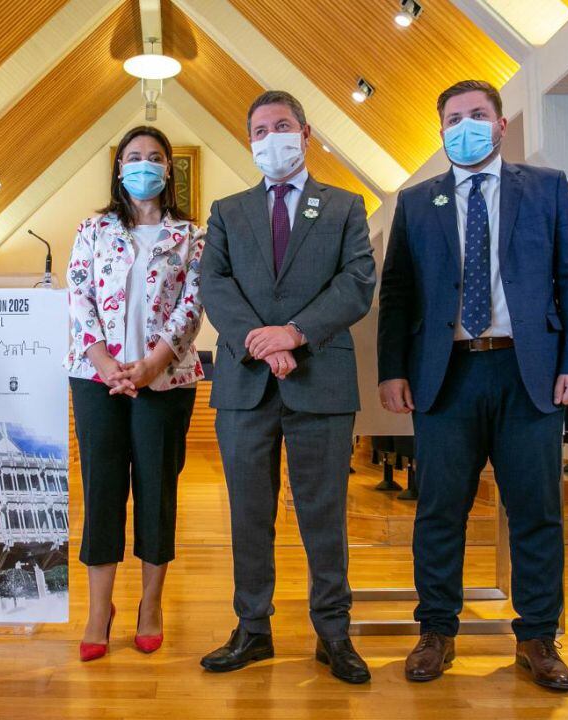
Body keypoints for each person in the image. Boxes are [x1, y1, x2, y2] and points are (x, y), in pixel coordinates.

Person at [377, 80, 568, 691]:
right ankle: (437, 630)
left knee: (536, 511)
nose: (465, 126)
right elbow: (397, 290)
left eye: (478, 115)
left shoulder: (546, 188)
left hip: (528, 373)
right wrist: (391, 369)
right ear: (440, 129)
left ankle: (537, 637)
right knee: (440, 510)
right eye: (453, 118)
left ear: (501, 126)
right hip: (445, 375)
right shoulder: (417, 201)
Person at [199, 91, 375, 682]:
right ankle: (252, 630)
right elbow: (214, 284)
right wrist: (260, 339)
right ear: (249, 141)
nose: (270, 137)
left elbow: (355, 285)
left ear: (305, 132)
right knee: (249, 514)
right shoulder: (228, 210)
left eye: (281, 125)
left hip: (320, 380)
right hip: (245, 385)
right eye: (258, 129)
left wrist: (294, 334)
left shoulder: (347, 206)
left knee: (323, 515)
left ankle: (334, 633)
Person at [66, 125, 204, 662]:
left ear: (168, 169)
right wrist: (103, 360)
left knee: (156, 489)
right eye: (133, 157)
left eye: (154, 157)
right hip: (95, 377)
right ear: (118, 168)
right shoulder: (93, 228)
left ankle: (150, 603)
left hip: (165, 381)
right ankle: (100, 609)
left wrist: (151, 364)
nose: (143, 165)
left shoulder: (192, 235)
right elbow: (78, 294)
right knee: (102, 489)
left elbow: (193, 305)